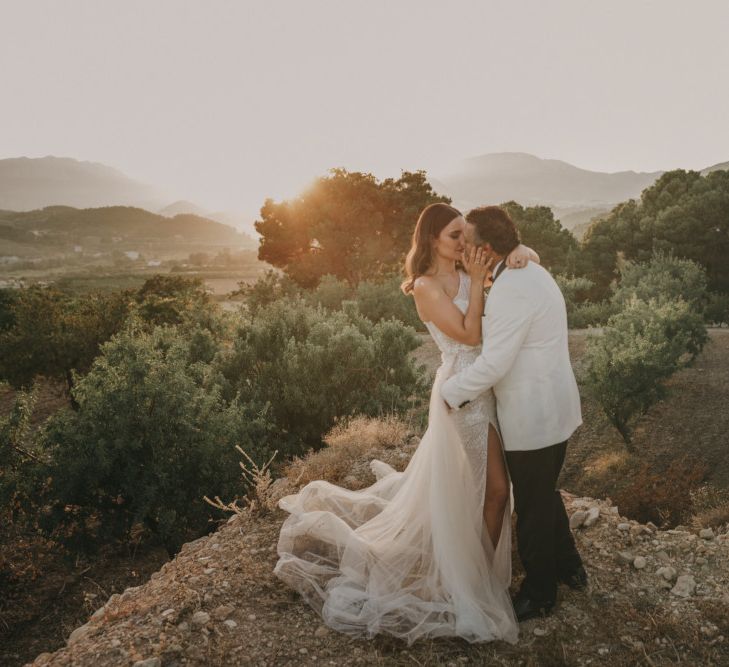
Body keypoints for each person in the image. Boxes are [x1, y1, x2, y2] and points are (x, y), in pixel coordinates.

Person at [273, 202, 535, 645]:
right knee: (493, 490)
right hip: (463, 395)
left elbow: (518, 262)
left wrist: (523, 251)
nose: (464, 244)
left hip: (490, 386)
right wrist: (474, 282)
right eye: (455, 235)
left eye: (465, 236)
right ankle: (478, 584)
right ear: (432, 238)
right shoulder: (425, 286)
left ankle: (481, 573)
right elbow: (470, 336)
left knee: (484, 492)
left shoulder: (469, 268)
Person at [441, 205, 586, 623]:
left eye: (467, 240)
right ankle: (570, 566)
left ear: (486, 249)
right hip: (552, 407)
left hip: (534, 415)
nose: (462, 246)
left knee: (533, 505)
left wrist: (449, 395)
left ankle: (540, 593)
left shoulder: (511, 289)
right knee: (544, 492)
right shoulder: (523, 272)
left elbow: (494, 363)